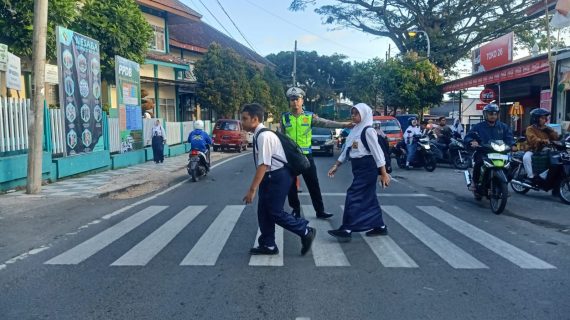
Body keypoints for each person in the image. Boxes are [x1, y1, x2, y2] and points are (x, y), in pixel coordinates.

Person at [241, 103, 316, 256]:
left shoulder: (264, 136)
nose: (242, 122)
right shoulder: (259, 134)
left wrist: (252, 190)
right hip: (270, 177)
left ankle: (305, 231)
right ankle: (268, 245)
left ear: (255, 119)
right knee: (263, 211)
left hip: (277, 177)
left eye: (244, 118)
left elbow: (263, 165)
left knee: (275, 212)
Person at [282, 87, 352, 219]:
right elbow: (281, 138)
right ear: (289, 102)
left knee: (313, 184)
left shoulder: (309, 117)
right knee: (290, 185)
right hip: (290, 157)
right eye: (292, 100)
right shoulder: (285, 118)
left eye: (297, 99)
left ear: (302, 100)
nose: (294, 102)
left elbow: (326, 123)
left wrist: (344, 125)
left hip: (306, 156)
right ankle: (295, 209)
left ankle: (320, 211)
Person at [327, 103, 391, 240]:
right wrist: (336, 165)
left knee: (353, 195)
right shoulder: (355, 130)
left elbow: (378, 153)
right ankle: (380, 226)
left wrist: (384, 174)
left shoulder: (368, 131)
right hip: (358, 168)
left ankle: (347, 228)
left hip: (367, 168)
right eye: (353, 113)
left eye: (356, 113)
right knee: (370, 198)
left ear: (365, 115)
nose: (353, 116)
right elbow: (347, 150)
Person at [464, 103, 515, 192]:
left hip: (500, 153)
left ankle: (503, 184)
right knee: (479, 163)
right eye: (491, 114)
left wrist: (513, 145)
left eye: (495, 114)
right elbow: (469, 136)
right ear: (485, 114)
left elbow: (509, 137)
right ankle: (474, 182)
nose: (493, 116)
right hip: (484, 152)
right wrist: (472, 141)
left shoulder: (503, 126)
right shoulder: (478, 126)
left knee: (511, 166)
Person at [523, 108, 559, 183]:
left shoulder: (547, 128)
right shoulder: (530, 129)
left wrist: (550, 132)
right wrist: (542, 141)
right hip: (533, 149)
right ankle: (530, 177)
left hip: (546, 149)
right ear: (536, 119)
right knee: (526, 158)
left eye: (545, 118)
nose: (545, 120)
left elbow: (556, 137)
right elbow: (533, 139)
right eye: (542, 118)